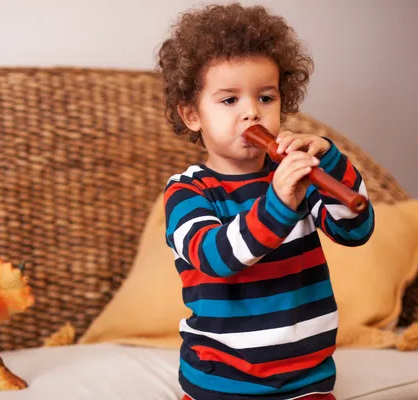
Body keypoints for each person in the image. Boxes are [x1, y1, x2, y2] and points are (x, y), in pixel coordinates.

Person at [157, 3, 375, 400]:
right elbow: (217, 257)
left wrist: (328, 161)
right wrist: (276, 203)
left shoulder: (296, 176)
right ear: (192, 114)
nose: (251, 113)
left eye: (266, 97)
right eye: (229, 101)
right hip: (220, 383)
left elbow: (355, 230)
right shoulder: (188, 191)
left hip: (309, 382)